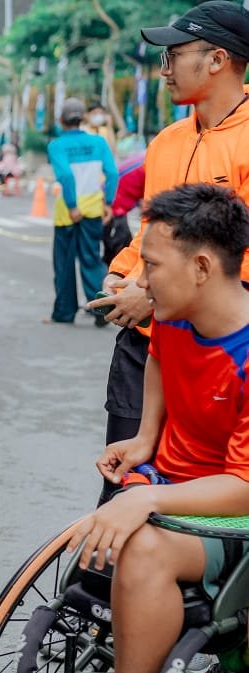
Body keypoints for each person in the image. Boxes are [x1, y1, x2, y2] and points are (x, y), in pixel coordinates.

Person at [60, 184, 249, 673]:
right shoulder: (173, 316)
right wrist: (145, 440)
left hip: (233, 511)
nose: (139, 279)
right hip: (177, 479)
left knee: (138, 538)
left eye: (151, 265)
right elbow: (163, 361)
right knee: (98, 531)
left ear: (201, 267)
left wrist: (148, 496)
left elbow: (244, 487)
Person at [85, 1, 249, 506]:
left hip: (218, 355)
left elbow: (235, 260)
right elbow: (148, 235)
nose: (164, 70)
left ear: (217, 59)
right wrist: (123, 277)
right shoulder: (167, 141)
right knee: (123, 482)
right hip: (149, 349)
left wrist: (151, 292)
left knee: (203, 492)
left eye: (173, 55)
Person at [46, 97, 117, 326]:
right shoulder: (99, 143)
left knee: (64, 263)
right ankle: (102, 310)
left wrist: (72, 205)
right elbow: (113, 174)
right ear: (83, 118)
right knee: (91, 260)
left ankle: (64, 313)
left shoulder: (56, 146)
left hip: (68, 213)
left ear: (61, 120)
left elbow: (65, 176)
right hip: (94, 209)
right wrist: (108, 203)